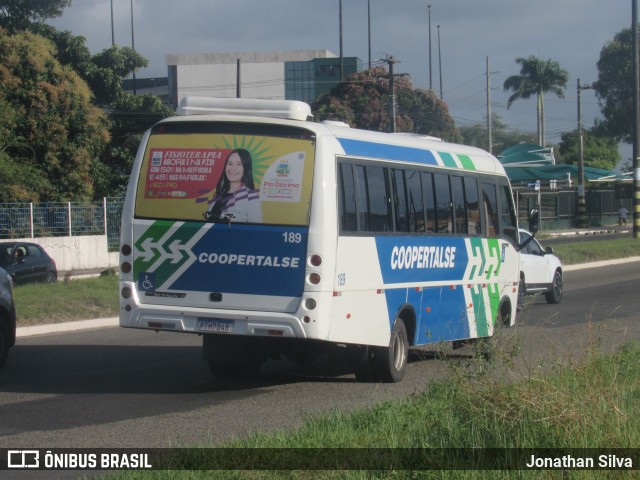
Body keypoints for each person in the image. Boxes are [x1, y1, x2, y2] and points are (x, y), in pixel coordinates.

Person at [204, 149, 262, 223]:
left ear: (246, 168)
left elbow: (255, 231)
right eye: (230, 163)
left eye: (239, 164)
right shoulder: (220, 194)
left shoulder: (251, 198)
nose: (232, 168)